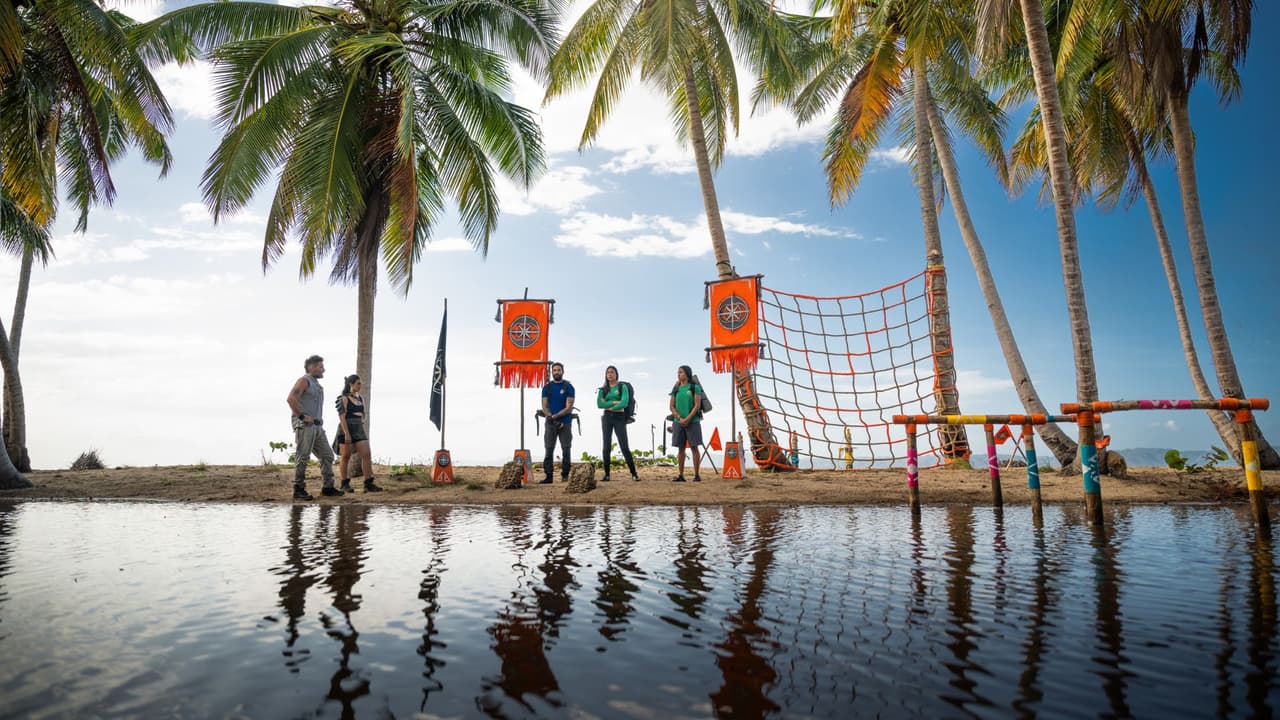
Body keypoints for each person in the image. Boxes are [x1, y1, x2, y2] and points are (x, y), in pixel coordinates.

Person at [286, 355, 341, 499]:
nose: (324, 369)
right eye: (320, 367)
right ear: (312, 367)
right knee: (303, 457)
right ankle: (298, 489)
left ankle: (328, 487)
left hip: (317, 427)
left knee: (327, 455)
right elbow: (291, 399)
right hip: (305, 426)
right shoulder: (304, 381)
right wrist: (303, 417)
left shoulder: (316, 384)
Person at [333, 375, 383, 493]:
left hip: (358, 428)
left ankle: (368, 482)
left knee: (366, 453)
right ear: (351, 384)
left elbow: (363, 413)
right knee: (346, 456)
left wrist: (362, 419)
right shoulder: (344, 398)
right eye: (358, 384)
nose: (360, 386)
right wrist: (347, 433)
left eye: (360, 383)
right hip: (346, 427)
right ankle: (344, 483)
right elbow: (342, 417)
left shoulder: (360, 398)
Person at [597, 365, 639, 482]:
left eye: (612, 372)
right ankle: (607, 474)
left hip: (619, 418)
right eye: (608, 373)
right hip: (607, 418)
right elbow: (599, 405)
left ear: (616, 374)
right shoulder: (602, 389)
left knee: (624, 446)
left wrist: (609, 404)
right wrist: (615, 402)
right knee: (606, 446)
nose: (610, 374)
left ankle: (634, 473)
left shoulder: (622, 386)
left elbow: (624, 403)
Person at [540, 362, 575, 484]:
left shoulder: (568, 387)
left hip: (565, 422)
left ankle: (565, 475)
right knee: (549, 449)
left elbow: (568, 408)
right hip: (550, 423)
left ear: (562, 371)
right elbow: (544, 406)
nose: (556, 372)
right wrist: (550, 417)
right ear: (551, 372)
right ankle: (548, 477)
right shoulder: (547, 387)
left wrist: (554, 417)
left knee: (566, 449)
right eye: (554, 370)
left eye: (558, 370)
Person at [668, 365, 703, 482]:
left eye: (681, 372)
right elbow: (671, 406)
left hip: (693, 421)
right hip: (678, 422)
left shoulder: (694, 387)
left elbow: (697, 405)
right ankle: (681, 475)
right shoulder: (676, 388)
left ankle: (697, 475)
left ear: (687, 374)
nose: (679, 374)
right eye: (678, 372)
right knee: (681, 448)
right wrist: (679, 417)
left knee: (694, 448)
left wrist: (687, 419)